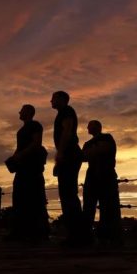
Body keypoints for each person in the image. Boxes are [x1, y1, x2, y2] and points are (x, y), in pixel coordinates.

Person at [51, 91, 91, 246]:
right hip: (69, 155)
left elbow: (67, 132)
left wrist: (60, 154)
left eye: (53, 98)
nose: (51, 101)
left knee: (68, 194)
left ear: (61, 99)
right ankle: (78, 235)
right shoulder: (63, 112)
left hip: (70, 154)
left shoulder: (67, 111)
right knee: (67, 194)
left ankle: (78, 236)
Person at [4, 104, 49, 242]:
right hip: (23, 167)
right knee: (19, 198)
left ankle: (38, 233)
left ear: (29, 112)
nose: (19, 112)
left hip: (32, 166)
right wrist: (14, 158)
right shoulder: (22, 129)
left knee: (35, 198)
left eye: (22, 110)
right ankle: (19, 231)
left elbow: (37, 143)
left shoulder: (35, 125)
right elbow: (20, 147)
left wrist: (20, 155)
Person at [82, 120, 122, 245]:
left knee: (108, 208)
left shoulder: (107, 137)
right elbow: (84, 156)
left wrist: (93, 150)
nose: (88, 127)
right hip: (92, 177)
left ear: (98, 127)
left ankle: (108, 237)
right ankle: (87, 236)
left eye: (90, 125)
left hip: (106, 176)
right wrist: (95, 149)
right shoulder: (87, 143)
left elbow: (101, 150)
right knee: (89, 207)